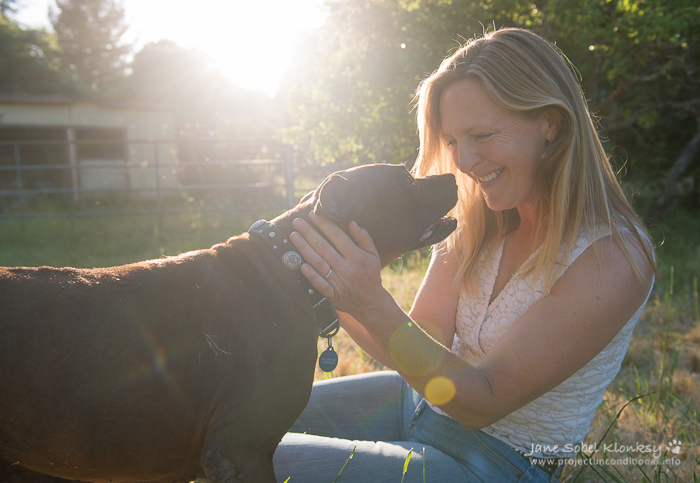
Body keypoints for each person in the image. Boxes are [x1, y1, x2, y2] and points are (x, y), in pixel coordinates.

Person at [272, 27, 656, 483]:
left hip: (493, 465)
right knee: (245, 413)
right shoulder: (481, 222)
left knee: (251, 456)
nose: (466, 161)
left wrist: (369, 300)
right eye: (453, 141)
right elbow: (419, 342)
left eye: (482, 134)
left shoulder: (613, 257)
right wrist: (330, 283)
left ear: (550, 122)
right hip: (415, 403)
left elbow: (483, 400)